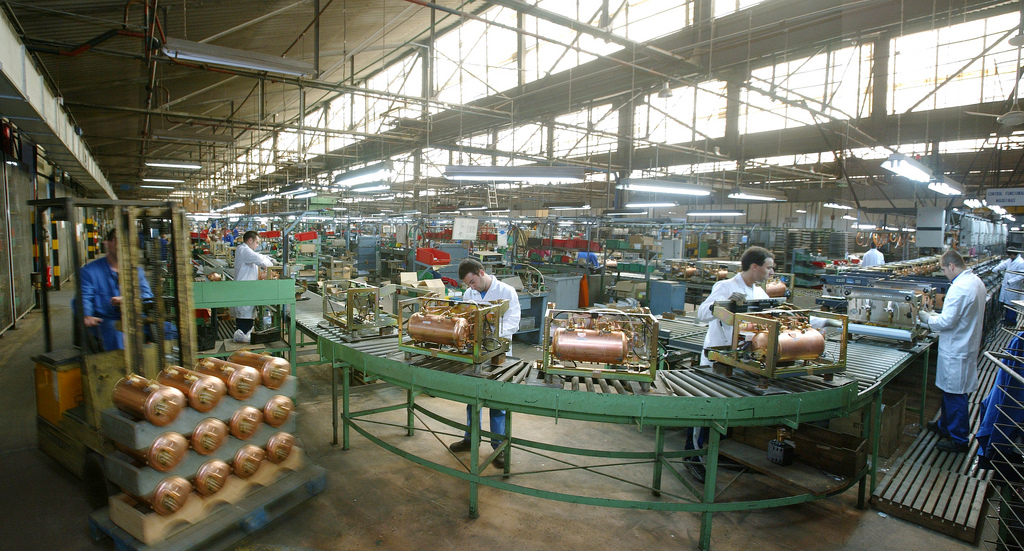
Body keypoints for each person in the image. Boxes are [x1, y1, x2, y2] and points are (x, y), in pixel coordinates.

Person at [685, 247, 775, 482]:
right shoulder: (726, 286)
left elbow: (775, 314)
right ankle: (692, 456)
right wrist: (725, 305)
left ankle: (716, 453)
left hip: (740, 361)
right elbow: (702, 314)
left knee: (725, 410)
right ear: (754, 267)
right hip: (717, 360)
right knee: (704, 409)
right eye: (769, 266)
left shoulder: (759, 292)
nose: (771, 271)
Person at [447, 258, 521, 468]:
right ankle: (471, 439)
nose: (471, 287)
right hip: (475, 354)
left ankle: (498, 448)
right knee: (472, 398)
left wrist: (487, 334)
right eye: (468, 284)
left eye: (472, 282)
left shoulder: (507, 292)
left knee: (497, 403)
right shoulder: (469, 294)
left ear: (480, 272)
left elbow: (513, 323)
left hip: (498, 356)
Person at [918, 249, 987, 453]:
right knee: (950, 391)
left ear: (952, 266)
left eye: (944, 270)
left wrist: (927, 318)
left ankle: (959, 439)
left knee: (955, 394)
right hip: (965, 344)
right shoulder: (976, 282)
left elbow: (947, 321)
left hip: (957, 348)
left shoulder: (960, 287)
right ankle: (944, 426)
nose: (945, 274)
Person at [79, 229, 154, 351]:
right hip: (107, 321)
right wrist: (87, 315)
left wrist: (127, 299)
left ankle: (175, 369)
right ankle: (126, 369)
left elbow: (147, 295)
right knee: (118, 337)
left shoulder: (136, 271)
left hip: (134, 318)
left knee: (169, 330)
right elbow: (84, 297)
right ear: (107, 243)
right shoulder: (90, 272)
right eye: (119, 241)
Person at [232, 230, 275, 343]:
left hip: (248, 291)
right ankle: (242, 352)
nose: (257, 245)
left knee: (247, 321)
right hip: (244, 292)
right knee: (244, 322)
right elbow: (260, 260)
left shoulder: (245, 251)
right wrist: (271, 265)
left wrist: (269, 259)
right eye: (256, 242)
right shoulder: (243, 250)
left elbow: (259, 256)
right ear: (250, 240)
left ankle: (244, 343)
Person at [994, 249, 1023, 324]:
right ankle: (1007, 319)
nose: (1009, 257)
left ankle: (1012, 321)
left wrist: (1011, 281)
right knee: (1007, 304)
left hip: (1014, 286)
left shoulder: (1021, 262)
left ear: (1013, 254)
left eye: (1009, 255)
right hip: (1007, 285)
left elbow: (1021, 275)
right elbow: (1002, 265)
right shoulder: (1010, 260)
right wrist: (995, 269)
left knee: (1011, 305)